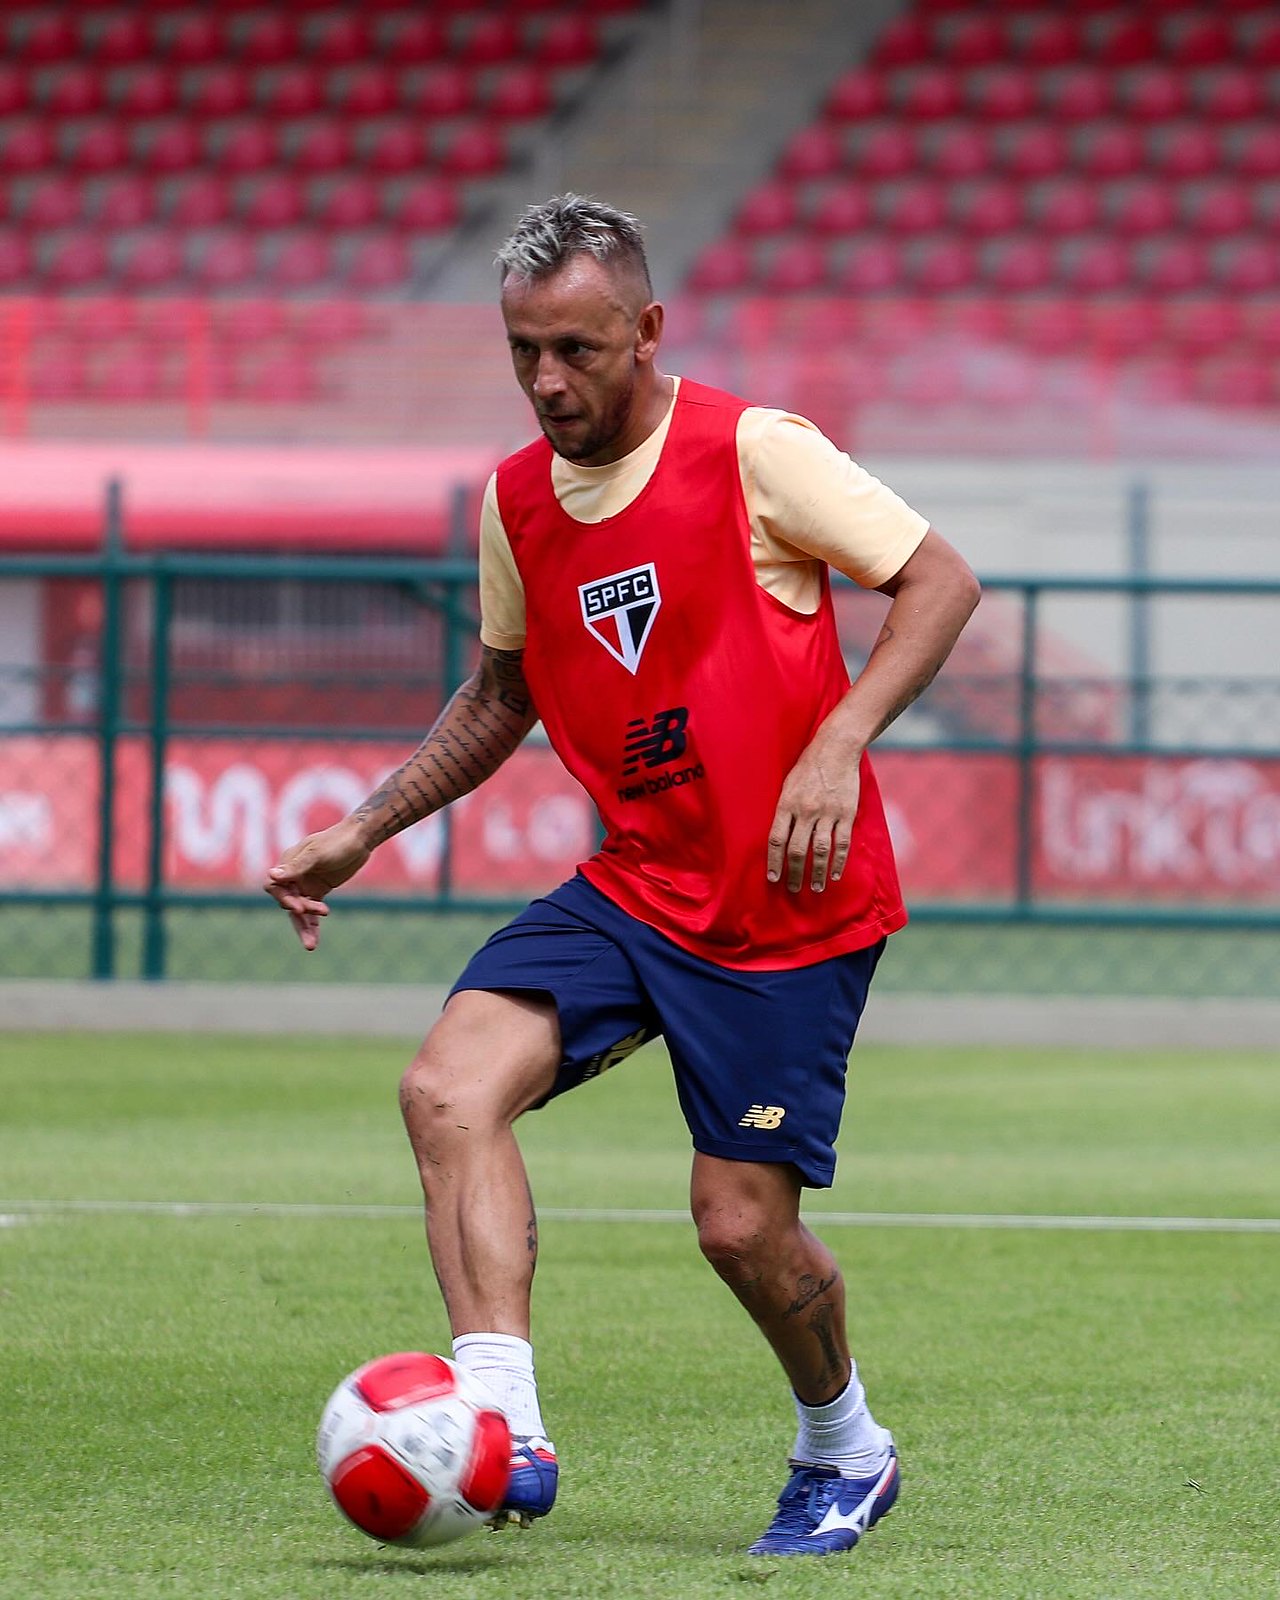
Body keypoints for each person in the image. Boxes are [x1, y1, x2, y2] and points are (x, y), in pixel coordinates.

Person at [266, 195, 980, 1558]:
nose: (548, 381)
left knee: (736, 1230)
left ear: (647, 330)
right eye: (525, 350)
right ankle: (502, 1419)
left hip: (787, 903)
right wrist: (365, 826)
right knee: (446, 1087)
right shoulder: (516, 500)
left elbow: (938, 580)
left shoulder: (755, 450)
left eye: (579, 350)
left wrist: (838, 745)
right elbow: (501, 695)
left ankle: (846, 1445)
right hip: (636, 884)